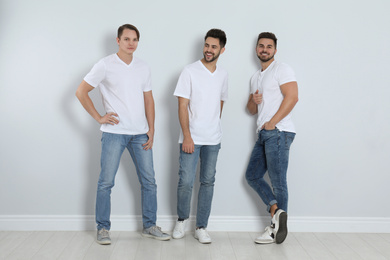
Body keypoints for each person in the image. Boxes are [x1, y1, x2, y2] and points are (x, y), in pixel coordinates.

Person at [75, 24, 170, 244]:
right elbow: (81, 91)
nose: (131, 43)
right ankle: (103, 228)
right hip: (114, 133)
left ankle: (150, 225)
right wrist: (99, 117)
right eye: (126, 39)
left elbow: (149, 99)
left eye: (135, 39)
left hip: (140, 134)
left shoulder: (143, 67)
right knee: (105, 182)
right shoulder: (105, 65)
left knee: (149, 182)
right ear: (118, 41)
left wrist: (151, 129)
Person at [171, 29, 228, 244]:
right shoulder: (189, 71)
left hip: (213, 139)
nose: (209, 50)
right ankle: (181, 220)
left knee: (207, 182)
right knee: (185, 181)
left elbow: (220, 103)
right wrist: (187, 136)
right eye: (207, 45)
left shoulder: (223, 75)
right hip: (191, 138)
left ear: (222, 49)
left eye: (214, 46)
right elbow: (182, 105)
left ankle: (201, 226)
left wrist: (213, 125)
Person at [245, 32, 298, 244]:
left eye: (269, 46)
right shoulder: (255, 77)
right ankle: (276, 212)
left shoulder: (282, 69)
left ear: (275, 50)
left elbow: (293, 96)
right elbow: (251, 109)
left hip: (278, 131)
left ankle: (276, 230)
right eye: (261, 46)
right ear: (256, 49)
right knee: (252, 176)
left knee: (278, 183)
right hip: (263, 133)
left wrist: (273, 122)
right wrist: (253, 99)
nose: (264, 49)